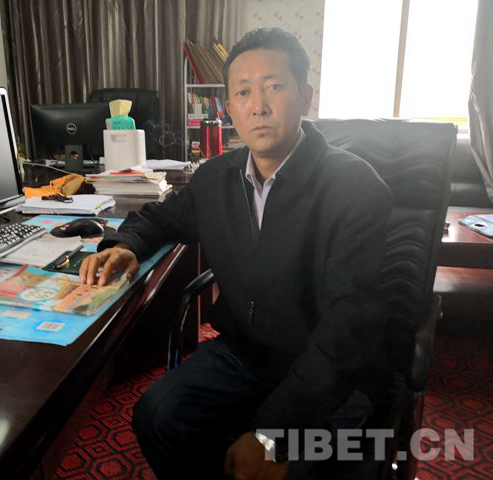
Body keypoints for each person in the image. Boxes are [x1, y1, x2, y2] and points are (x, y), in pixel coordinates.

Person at [80, 28, 393, 480]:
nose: (258, 106)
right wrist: (126, 246)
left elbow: (348, 330)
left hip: (331, 371)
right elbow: (161, 217)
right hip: (246, 355)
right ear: (228, 107)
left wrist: (274, 434)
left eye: (274, 87)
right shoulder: (215, 178)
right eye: (243, 92)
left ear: (305, 97)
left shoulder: (355, 188)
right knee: (158, 416)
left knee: (303, 471)